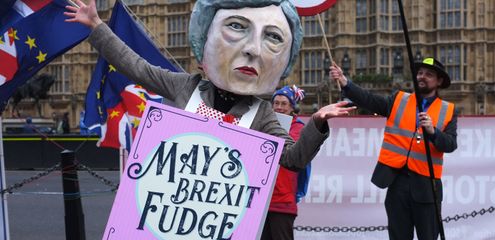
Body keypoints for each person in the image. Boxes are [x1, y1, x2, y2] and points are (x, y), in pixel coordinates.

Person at [64, 0, 355, 172]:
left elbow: (293, 159)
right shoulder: (184, 86)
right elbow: (135, 66)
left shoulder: (261, 114)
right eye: (236, 28)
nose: (252, 50)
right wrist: (97, 26)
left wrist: (316, 122)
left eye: (272, 38)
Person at [330, 58, 458, 240]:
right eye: (419, 72)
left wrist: (433, 131)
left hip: (427, 186)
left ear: (438, 81)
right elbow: (370, 101)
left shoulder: (447, 110)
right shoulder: (399, 100)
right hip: (397, 182)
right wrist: (345, 82)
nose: (421, 76)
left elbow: (450, 144)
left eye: (428, 74)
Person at [260, 85, 307, 240]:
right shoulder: (265, 123)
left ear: (292, 108)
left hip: (282, 198)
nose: (279, 107)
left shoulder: (297, 129)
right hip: (263, 199)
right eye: (276, 103)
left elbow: (290, 150)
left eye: (284, 104)